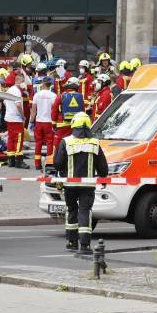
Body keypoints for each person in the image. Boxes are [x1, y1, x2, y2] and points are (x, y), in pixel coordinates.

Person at [54, 112, 108, 252]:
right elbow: (102, 166)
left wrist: (62, 173)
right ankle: (85, 245)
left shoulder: (66, 142)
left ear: (73, 125)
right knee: (85, 211)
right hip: (87, 186)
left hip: (70, 185)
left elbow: (58, 164)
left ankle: (72, 242)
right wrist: (103, 177)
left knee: (71, 210)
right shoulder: (95, 142)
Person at [30, 75, 58, 170]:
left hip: (39, 122)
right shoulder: (53, 96)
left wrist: (31, 120)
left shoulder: (36, 95)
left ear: (43, 84)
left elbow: (33, 110)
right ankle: (49, 163)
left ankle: (37, 164)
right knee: (50, 143)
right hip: (49, 122)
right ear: (50, 85)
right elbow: (55, 110)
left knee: (38, 143)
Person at [54, 77, 86, 155]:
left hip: (62, 124)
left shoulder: (61, 96)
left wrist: (53, 123)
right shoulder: (80, 96)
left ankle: (56, 160)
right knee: (73, 144)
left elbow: (54, 110)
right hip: (75, 125)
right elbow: (83, 110)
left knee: (58, 143)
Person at [3, 89, 27, 167]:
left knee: (11, 138)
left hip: (9, 117)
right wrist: (23, 116)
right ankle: (18, 160)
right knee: (19, 138)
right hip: (16, 119)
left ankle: (11, 160)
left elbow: (4, 102)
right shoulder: (17, 91)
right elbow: (18, 105)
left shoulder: (9, 90)